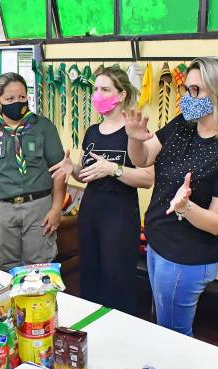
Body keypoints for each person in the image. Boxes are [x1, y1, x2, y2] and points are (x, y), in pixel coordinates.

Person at [126, 57, 218, 336]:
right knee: (163, 324)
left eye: (196, 91)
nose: (187, 98)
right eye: (187, 90)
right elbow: (144, 158)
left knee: (173, 334)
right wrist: (134, 138)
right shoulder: (183, 125)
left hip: (185, 258)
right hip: (158, 244)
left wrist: (186, 207)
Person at [50, 66, 153, 314]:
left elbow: (147, 178)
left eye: (105, 89)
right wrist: (70, 167)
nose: (98, 94)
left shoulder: (132, 131)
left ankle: (120, 334)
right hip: (90, 213)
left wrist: (113, 169)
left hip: (119, 217)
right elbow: (86, 175)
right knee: (90, 275)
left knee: (116, 280)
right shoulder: (92, 132)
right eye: (96, 89)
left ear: (120, 95)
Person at [0, 72, 66, 271]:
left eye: (22, 97)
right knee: (6, 267)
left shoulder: (43, 127)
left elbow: (60, 170)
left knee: (39, 268)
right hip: (1, 209)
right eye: (10, 99)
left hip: (38, 207)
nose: (17, 102)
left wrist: (57, 208)